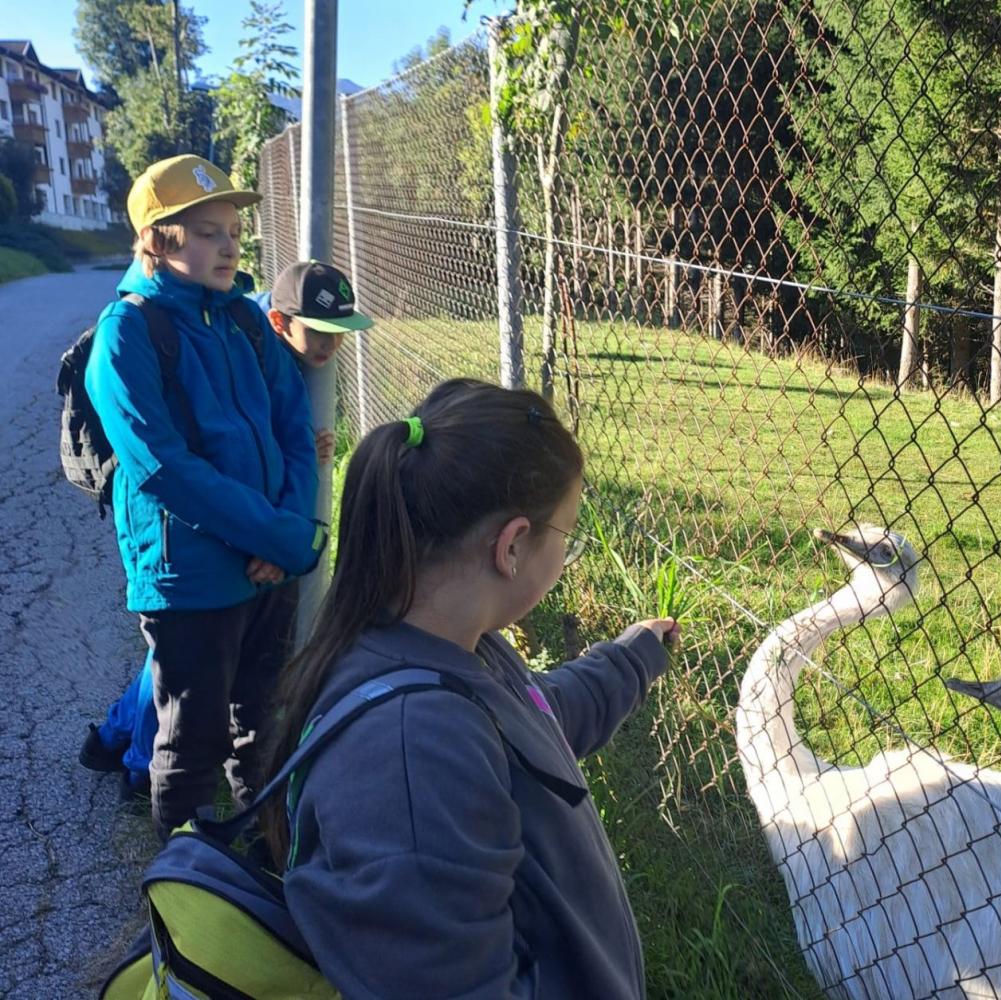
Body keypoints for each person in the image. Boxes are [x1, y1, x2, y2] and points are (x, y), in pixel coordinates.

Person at [259, 377, 680, 998]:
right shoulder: (412, 761)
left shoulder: (451, 648)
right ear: (512, 546)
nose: (565, 556)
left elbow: (534, 722)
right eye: (566, 535)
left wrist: (628, 661)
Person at [83, 154, 327, 839]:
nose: (230, 247)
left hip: (269, 566)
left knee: (264, 730)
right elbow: (163, 467)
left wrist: (289, 531)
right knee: (193, 742)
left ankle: (268, 863)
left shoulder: (245, 321)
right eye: (207, 232)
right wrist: (278, 538)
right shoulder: (127, 332)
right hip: (191, 579)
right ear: (157, 240)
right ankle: (185, 888)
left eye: (234, 232)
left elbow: (294, 428)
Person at [80, 259, 372, 798]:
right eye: (320, 332)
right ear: (282, 322)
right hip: (205, 546)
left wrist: (286, 527)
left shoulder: (254, 333)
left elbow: (283, 438)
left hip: (258, 543)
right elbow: (181, 463)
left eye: (339, 333)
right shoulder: (203, 333)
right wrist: (281, 539)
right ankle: (138, 764)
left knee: (208, 680)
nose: (331, 346)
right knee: (183, 682)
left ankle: (112, 740)